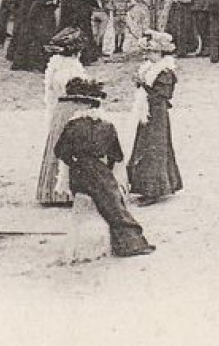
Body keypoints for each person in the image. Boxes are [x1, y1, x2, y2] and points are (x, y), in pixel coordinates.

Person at [52, 78, 155, 257]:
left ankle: (128, 239)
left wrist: (76, 162)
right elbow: (117, 156)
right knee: (112, 199)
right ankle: (130, 240)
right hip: (100, 170)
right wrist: (102, 165)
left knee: (108, 199)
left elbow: (60, 151)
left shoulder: (73, 126)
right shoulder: (107, 126)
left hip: (79, 174)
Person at [128, 30, 183, 203]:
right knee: (146, 146)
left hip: (157, 113)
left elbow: (163, 95)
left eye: (153, 52)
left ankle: (154, 189)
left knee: (155, 148)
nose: (149, 55)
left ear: (162, 54)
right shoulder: (151, 68)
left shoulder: (165, 71)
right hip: (148, 111)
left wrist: (143, 85)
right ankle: (150, 187)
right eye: (148, 52)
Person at [36, 28, 89, 206]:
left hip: (59, 108)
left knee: (56, 145)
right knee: (70, 147)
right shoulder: (71, 68)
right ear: (77, 51)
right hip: (70, 108)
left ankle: (51, 189)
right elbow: (74, 90)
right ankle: (64, 192)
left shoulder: (55, 64)